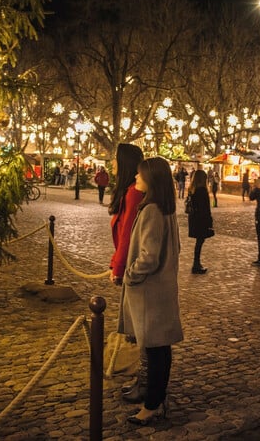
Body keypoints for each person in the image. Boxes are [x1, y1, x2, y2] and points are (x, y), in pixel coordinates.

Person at [117, 156, 183, 426]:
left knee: (156, 352)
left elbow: (149, 256)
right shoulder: (165, 208)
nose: (135, 179)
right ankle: (157, 399)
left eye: (140, 175)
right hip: (161, 291)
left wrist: (130, 274)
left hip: (149, 293)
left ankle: (152, 405)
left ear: (152, 180)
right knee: (160, 350)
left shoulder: (152, 210)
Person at [107, 143, 146, 403]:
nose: (111, 163)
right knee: (134, 325)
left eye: (114, 159)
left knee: (138, 326)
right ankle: (141, 377)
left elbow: (127, 236)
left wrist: (117, 268)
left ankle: (144, 380)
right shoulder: (128, 192)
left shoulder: (133, 194)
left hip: (133, 268)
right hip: (129, 266)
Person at [187, 169, 213, 274]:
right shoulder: (202, 191)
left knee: (199, 242)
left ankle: (196, 263)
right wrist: (209, 221)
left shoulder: (192, 190)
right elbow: (205, 209)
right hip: (201, 220)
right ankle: (196, 264)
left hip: (194, 219)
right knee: (200, 242)